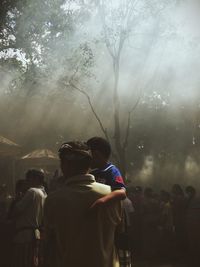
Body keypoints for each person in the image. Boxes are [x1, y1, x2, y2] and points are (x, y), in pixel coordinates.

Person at [44, 141, 122, 267]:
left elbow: (48, 241)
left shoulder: (53, 200)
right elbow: (119, 233)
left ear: (65, 165)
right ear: (89, 164)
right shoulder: (112, 194)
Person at [87, 137, 131, 267]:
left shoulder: (111, 170)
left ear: (96, 154)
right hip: (102, 220)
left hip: (116, 220)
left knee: (120, 252)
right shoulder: (92, 173)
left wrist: (101, 201)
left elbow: (121, 192)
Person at [11, 169, 47, 267]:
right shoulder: (44, 194)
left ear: (36, 179)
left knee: (23, 262)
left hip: (24, 236)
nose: (26, 181)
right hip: (36, 234)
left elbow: (16, 210)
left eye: (28, 178)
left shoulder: (32, 191)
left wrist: (18, 196)